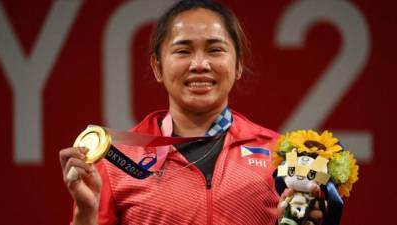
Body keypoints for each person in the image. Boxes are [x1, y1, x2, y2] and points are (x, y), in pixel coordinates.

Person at [59, 0, 325, 224]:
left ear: (239, 63)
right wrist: (86, 214)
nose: (200, 64)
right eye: (183, 51)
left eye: (215, 50)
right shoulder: (116, 161)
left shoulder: (282, 157)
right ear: (157, 66)